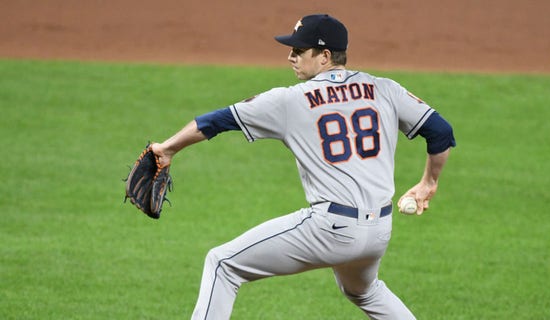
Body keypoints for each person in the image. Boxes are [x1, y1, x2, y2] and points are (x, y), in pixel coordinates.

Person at [150, 13, 456, 320]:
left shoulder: (290, 100)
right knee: (365, 291)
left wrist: (167, 148)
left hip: (330, 229)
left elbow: (215, 121)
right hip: (379, 231)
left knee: (222, 264)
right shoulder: (384, 89)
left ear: (324, 56)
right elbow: (441, 131)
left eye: (299, 51)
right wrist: (428, 182)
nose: (290, 56)